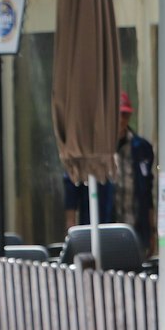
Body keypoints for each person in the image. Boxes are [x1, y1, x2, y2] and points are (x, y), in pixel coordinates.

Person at [62, 91, 155, 246]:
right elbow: (71, 190)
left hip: (135, 234)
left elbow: (147, 193)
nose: (120, 121)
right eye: (116, 115)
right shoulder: (89, 149)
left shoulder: (141, 148)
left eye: (124, 115)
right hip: (100, 234)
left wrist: (152, 231)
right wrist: (73, 234)